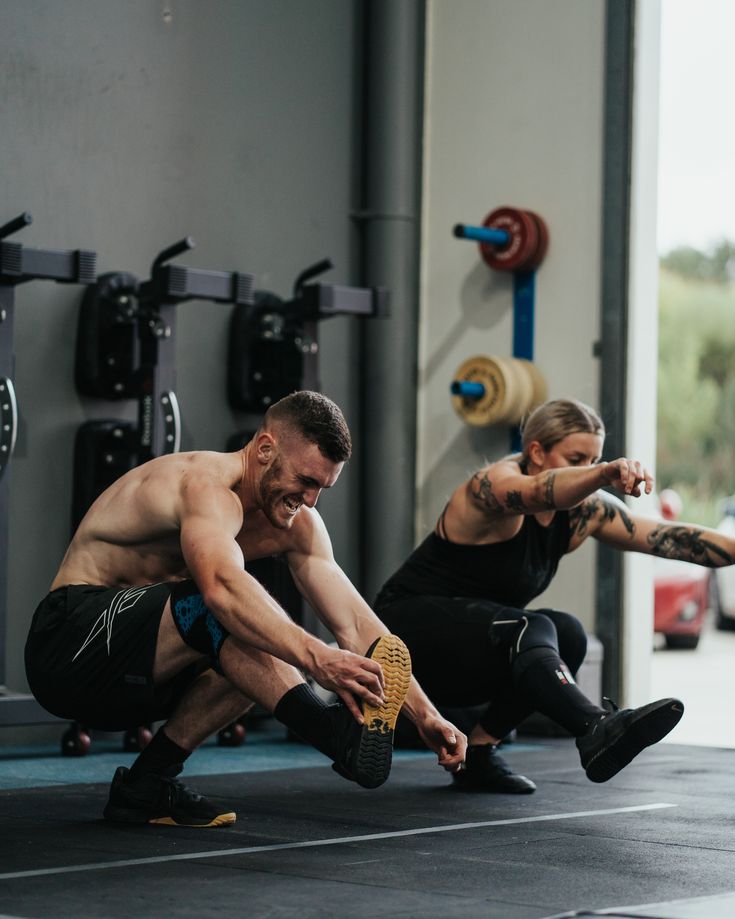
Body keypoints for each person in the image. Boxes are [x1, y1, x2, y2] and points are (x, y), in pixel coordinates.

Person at [25, 391, 466, 827]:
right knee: (223, 606)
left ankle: (146, 783)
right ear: (266, 448)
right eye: (305, 481)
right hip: (68, 648)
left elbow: (355, 622)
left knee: (259, 627)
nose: (310, 500)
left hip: (140, 674)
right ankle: (331, 733)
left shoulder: (299, 525)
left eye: (322, 488)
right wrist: (318, 658)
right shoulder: (204, 485)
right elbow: (219, 589)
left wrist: (424, 714)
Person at [373, 397, 724, 794]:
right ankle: (595, 727)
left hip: (469, 653)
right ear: (536, 452)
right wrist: (604, 473)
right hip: (399, 639)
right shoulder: (491, 487)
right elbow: (541, 491)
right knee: (530, 626)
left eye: (594, 460)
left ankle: (480, 755)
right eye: (577, 459)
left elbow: (670, 539)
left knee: (568, 633)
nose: (588, 470)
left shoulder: (583, 512)